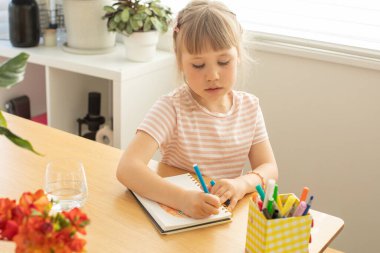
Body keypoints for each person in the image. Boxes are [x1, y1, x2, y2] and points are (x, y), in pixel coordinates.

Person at [116, 0, 278, 219]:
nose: (212, 75)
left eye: (223, 61)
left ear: (238, 55)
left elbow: (269, 168)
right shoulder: (171, 108)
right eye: (198, 65)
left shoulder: (249, 108)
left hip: (222, 219)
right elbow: (127, 168)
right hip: (178, 217)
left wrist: (241, 184)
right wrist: (182, 198)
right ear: (180, 62)